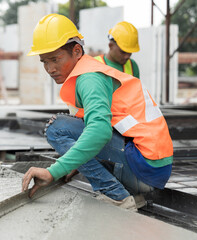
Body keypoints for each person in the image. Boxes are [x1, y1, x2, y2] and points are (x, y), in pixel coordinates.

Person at [22, 14, 173, 210]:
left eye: (55, 59)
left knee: (56, 128)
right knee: (79, 132)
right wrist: (76, 163)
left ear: (77, 51)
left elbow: (99, 131)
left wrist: (54, 171)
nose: (50, 68)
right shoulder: (90, 72)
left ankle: (117, 197)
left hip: (144, 170)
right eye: (44, 62)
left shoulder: (89, 78)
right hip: (151, 169)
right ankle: (133, 194)